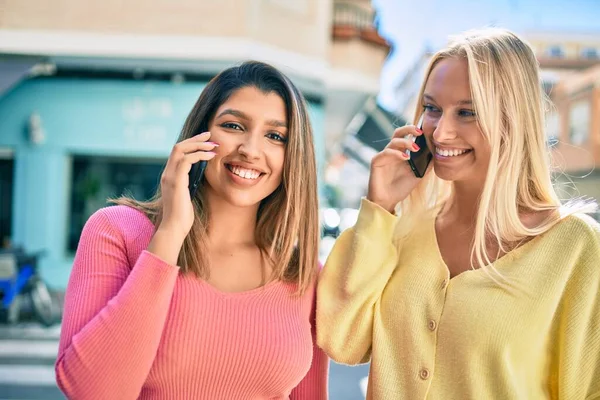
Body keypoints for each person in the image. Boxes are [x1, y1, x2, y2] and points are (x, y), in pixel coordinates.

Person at [317, 28, 600, 399]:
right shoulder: (400, 228)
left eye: (467, 112)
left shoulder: (575, 248)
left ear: (514, 121)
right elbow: (342, 341)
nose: (442, 132)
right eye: (432, 109)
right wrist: (380, 208)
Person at [56, 61, 329, 399]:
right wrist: (169, 236)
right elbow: (92, 391)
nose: (250, 149)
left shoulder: (303, 274)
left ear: (294, 157)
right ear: (199, 134)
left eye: (275, 136)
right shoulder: (116, 231)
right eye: (233, 125)